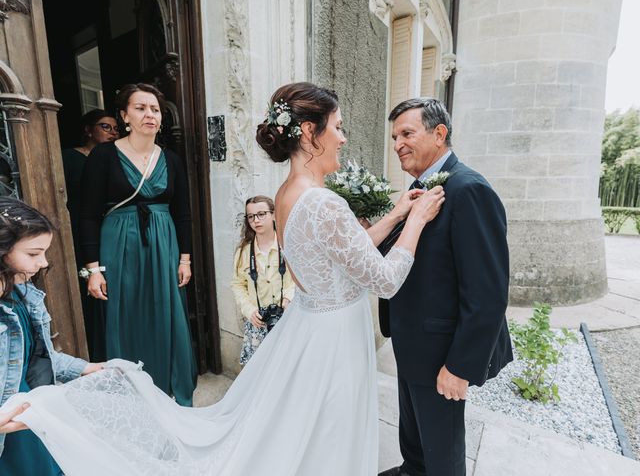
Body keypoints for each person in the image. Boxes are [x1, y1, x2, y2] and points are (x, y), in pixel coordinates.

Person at [0, 82, 444, 475]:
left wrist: (398, 212)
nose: (343, 137)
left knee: (304, 425)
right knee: (329, 427)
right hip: (332, 333)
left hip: (312, 323)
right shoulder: (325, 202)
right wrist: (418, 221)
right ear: (310, 133)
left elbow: (349, 249)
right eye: (338, 126)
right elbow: (384, 279)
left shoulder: (288, 195)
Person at [377, 98, 513, 476]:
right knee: (415, 437)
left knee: (443, 452)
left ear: (440, 134)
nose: (398, 143)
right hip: (411, 342)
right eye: (394, 137)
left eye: (407, 133)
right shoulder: (417, 190)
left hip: (443, 354)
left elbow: (487, 293)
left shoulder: (469, 190)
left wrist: (459, 366)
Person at [78, 83, 197, 406]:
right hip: (118, 244)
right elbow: (86, 214)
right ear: (124, 115)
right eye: (141, 108)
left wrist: (184, 259)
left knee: (166, 310)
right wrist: (93, 270)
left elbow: (183, 213)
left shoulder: (171, 159)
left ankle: (169, 390)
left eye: (155, 109)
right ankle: (131, 396)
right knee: (125, 312)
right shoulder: (104, 155)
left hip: (163, 242)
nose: (149, 115)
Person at [0, 196, 103, 475]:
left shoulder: (24, 296)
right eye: (34, 254)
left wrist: (86, 368)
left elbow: (38, 357)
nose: (44, 263)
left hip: (30, 413)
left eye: (45, 253)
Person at [62, 109, 119, 361]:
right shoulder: (69, 158)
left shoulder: (115, 160)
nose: (112, 132)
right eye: (105, 126)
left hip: (111, 231)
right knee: (87, 283)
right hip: (77, 229)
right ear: (88, 129)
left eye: (115, 128)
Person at [231, 195, 295, 365]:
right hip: (258, 323)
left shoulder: (288, 244)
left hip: (289, 318)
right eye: (251, 216)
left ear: (274, 215)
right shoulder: (243, 251)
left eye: (261, 214)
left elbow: (301, 276)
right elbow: (238, 285)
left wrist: (289, 298)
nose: (256, 220)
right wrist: (249, 310)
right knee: (259, 373)